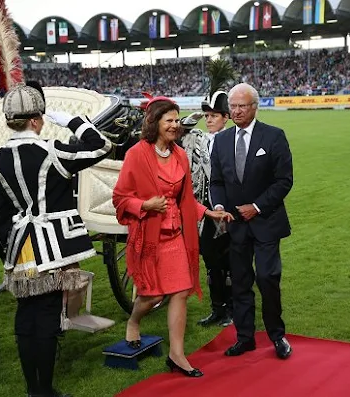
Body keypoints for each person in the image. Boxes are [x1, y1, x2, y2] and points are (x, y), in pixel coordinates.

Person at [0, 82, 114, 397]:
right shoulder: (51, 150)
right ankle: (43, 391)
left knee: (26, 315)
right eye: (42, 116)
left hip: (21, 248)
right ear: (35, 120)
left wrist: (13, 242)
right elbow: (100, 146)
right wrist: (71, 121)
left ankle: (34, 387)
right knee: (45, 316)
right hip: (54, 248)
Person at [112, 97, 234, 378]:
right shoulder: (136, 154)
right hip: (149, 235)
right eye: (169, 120)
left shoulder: (179, 155)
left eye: (177, 120)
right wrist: (145, 205)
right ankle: (134, 321)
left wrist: (206, 213)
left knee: (180, 291)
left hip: (176, 235)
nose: (175, 125)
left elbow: (185, 200)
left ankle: (177, 355)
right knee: (152, 295)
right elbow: (120, 197)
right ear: (155, 123)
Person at [210, 83, 294, 360]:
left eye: (241, 106)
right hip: (235, 226)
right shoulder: (221, 141)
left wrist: (257, 207)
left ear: (254, 107)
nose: (235, 111)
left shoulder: (274, 137)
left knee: (268, 278)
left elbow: (284, 181)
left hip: (266, 221)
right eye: (232, 106)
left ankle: (277, 336)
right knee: (241, 282)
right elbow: (217, 181)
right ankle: (245, 338)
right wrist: (220, 206)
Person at [180, 90, 234, 328]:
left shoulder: (234, 138)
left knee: (230, 263)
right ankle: (217, 309)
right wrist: (191, 119)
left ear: (226, 117)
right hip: (205, 212)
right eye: (207, 115)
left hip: (229, 211)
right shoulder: (198, 138)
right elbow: (177, 133)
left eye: (214, 115)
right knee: (211, 262)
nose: (209, 119)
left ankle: (232, 309)